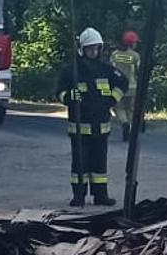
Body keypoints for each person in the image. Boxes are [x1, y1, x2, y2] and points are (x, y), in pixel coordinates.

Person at [58, 27, 128, 207]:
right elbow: (59, 92)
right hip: (79, 128)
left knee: (99, 166)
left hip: (101, 127)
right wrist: (69, 97)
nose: (93, 52)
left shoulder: (106, 70)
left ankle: (101, 196)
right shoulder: (71, 70)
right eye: (90, 49)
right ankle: (79, 196)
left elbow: (123, 82)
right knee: (80, 166)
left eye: (96, 48)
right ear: (82, 49)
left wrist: (113, 98)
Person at [111, 31, 142, 142]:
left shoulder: (115, 54)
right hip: (132, 87)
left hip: (118, 88)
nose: (136, 44)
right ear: (131, 43)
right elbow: (140, 71)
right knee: (131, 110)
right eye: (135, 42)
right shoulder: (135, 56)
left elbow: (111, 69)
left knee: (118, 108)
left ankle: (124, 123)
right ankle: (130, 130)